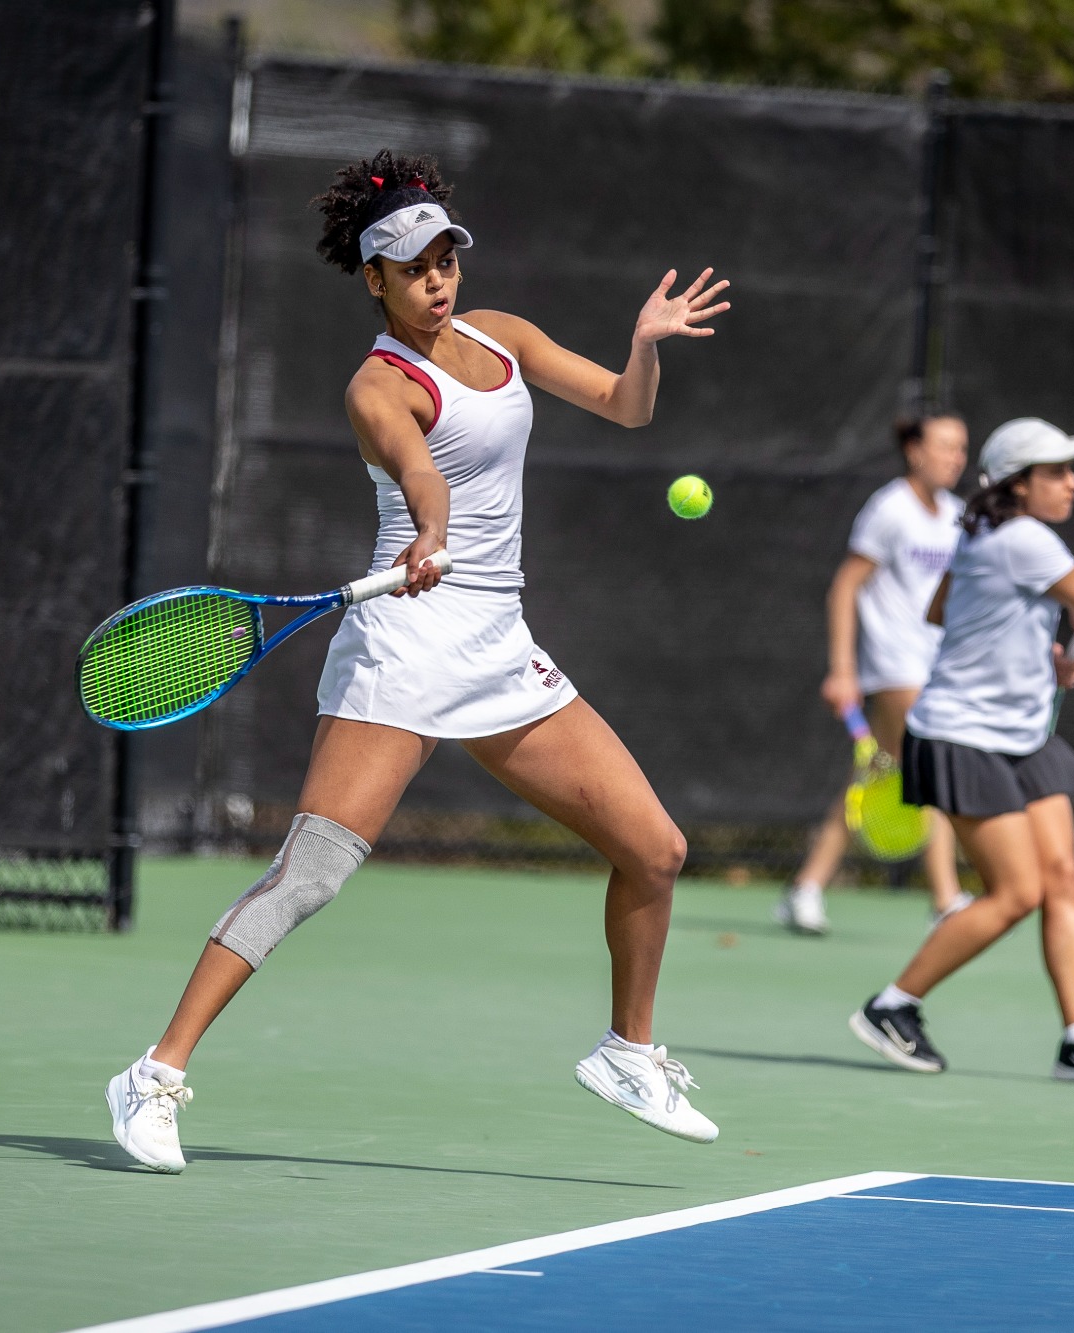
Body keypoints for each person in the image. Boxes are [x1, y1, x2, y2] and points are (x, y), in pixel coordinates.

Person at [105, 151, 733, 1171]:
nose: (437, 279)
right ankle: (156, 1073)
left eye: (445, 257)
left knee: (654, 849)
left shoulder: (507, 337)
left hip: (497, 643)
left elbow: (626, 405)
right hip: (402, 644)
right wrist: (427, 533)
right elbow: (417, 476)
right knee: (309, 874)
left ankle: (627, 1051)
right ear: (374, 280)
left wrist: (644, 346)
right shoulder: (375, 385)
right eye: (413, 267)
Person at [846, 417, 1074, 1085]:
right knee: (1017, 892)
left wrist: (1042, 658)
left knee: (1062, 876)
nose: (1073, 483)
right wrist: (1062, 628)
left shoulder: (978, 532)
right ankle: (892, 1006)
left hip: (1021, 732)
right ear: (1020, 484)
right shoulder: (1027, 539)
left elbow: (944, 609)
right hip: (962, 737)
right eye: (1057, 472)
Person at [776, 415, 971, 936]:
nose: (957, 458)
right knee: (933, 766)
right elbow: (845, 587)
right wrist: (844, 669)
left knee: (874, 776)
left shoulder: (956, 515)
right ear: (915, 451)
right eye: (946, 447)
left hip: (937, 664)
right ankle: (947, 900)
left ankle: (805, 888)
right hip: (893, 663)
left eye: (962, 448)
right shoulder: (890, 509)